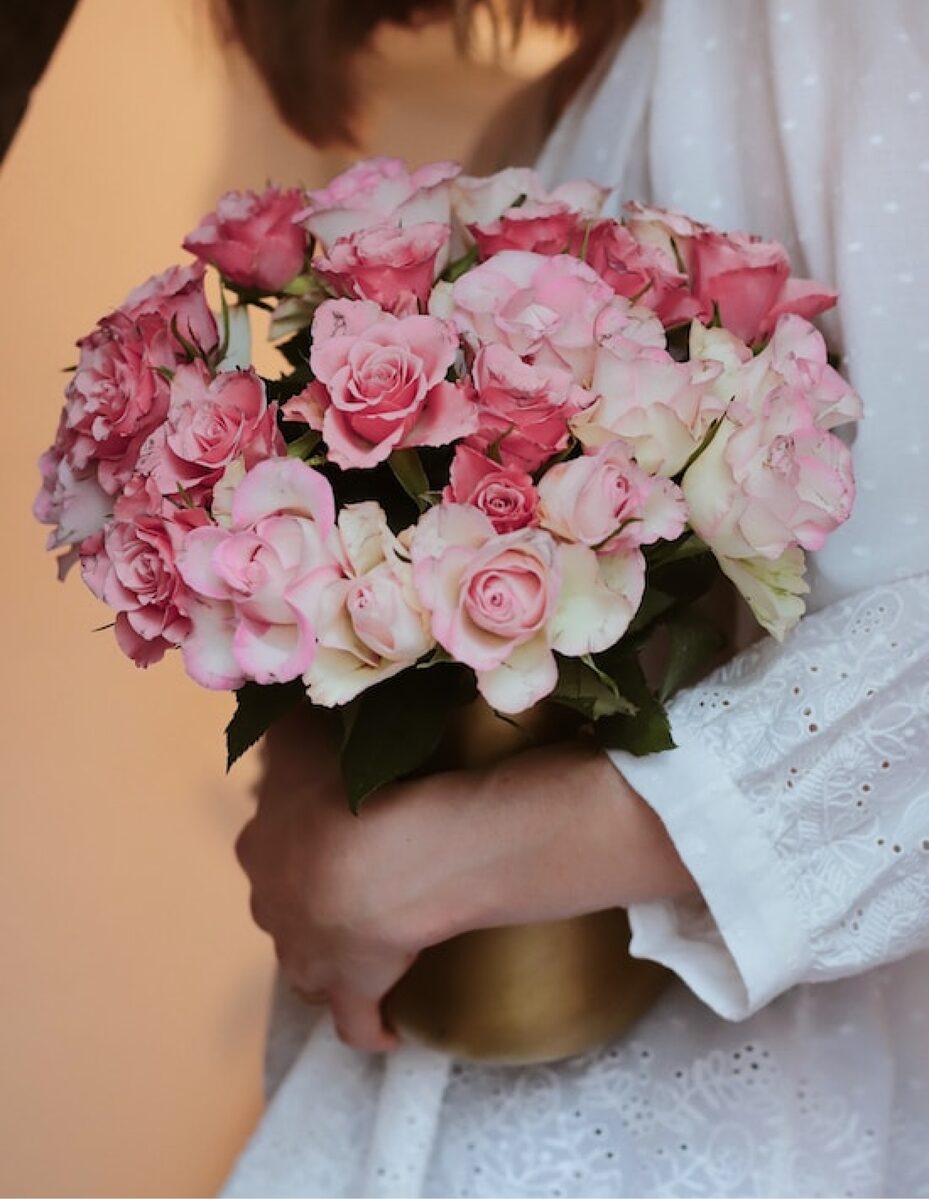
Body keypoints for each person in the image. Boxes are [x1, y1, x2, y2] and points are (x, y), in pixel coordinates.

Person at [221, 1, 929, 1194]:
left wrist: (431, 864)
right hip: (421, 1079)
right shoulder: (532, 129)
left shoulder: (817, 26)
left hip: (740, 1119)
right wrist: (304, 769)